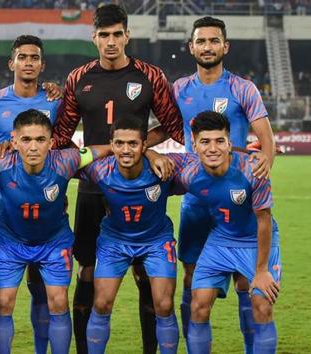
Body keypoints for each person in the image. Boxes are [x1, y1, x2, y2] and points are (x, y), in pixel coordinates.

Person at [49, 5, 184, 353]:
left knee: (147, 278)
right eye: (104, 35)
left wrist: (142, 150)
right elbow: (61, 136)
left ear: (127, 35)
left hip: (139, 187)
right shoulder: (78, 78)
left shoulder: (150, 76)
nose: (111, 42)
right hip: (95, 187)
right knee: (88, 272)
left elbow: (174, 127)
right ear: (94, 38)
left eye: (117, 34)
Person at [172, 17, 276, 352]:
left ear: (225, 46)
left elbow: (266, 139)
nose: (207, 47)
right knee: (191, 280)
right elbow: (169, 128)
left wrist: (262, 169)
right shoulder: (180, 88)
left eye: (214, 41)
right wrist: (144, 147)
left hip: (235, 194)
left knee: (247, 283)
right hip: (196, 197)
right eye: (201, 41)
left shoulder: (242, 88)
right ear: (192, 47)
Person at [0, 35, 62, 354]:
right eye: (22, 57)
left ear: (42, 65)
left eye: (34, 57)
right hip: (2, 203)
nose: (28, 62)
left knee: (42, 284)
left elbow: (63, 145)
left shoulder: (56, 101)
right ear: (11, 63)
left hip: (46, 205)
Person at [170, 111, 281, 354]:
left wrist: (261, 271)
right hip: (221, 239)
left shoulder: (254, 169)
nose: (213, 148)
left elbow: (264, 220)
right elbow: (148, 161)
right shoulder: (187, 171)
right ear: (194, 145)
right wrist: (149, 152)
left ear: (229, 143)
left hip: (257, 240)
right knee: (199, 304)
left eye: (220, 141)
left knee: (262, 306)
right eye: (205, 142)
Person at [83, 117, 181, 354]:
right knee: (101, 303)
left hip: (156, 241)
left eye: (133, 144)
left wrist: (250, 153)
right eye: (119, 143)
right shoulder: (99, 170)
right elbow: (59, 158)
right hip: (114, 242)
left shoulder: (165, 167)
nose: (126, 150)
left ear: (144, 145)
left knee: (165, 305)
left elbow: (210, 159)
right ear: (111, 145)